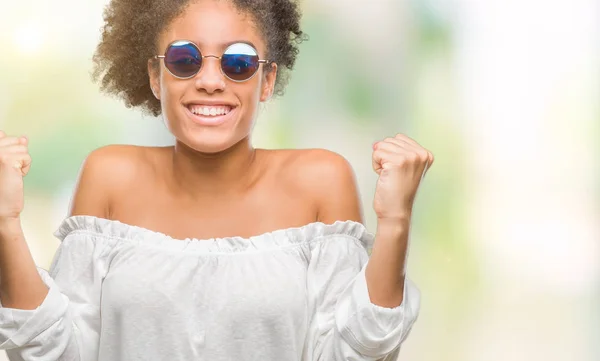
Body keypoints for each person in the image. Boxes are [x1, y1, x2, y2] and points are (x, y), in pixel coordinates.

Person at [0, 0, 434, 360]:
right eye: (184, 59)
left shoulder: (320, 179)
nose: (210, 81)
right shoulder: (109, 174)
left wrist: (395, 221)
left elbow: (355, 353)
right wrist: (5, 223)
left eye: (239, 62)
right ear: (156, 77)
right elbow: (59, 352)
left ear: (267, 80)